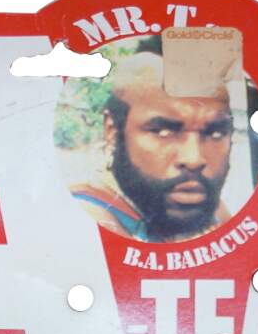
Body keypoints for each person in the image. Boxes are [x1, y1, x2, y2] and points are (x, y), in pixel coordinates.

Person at [72, 49, 235, 242]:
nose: (194, 159)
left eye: (215, 133)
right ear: (112, 130)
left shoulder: (204, 203)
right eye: (163, 131)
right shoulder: (87, 215)